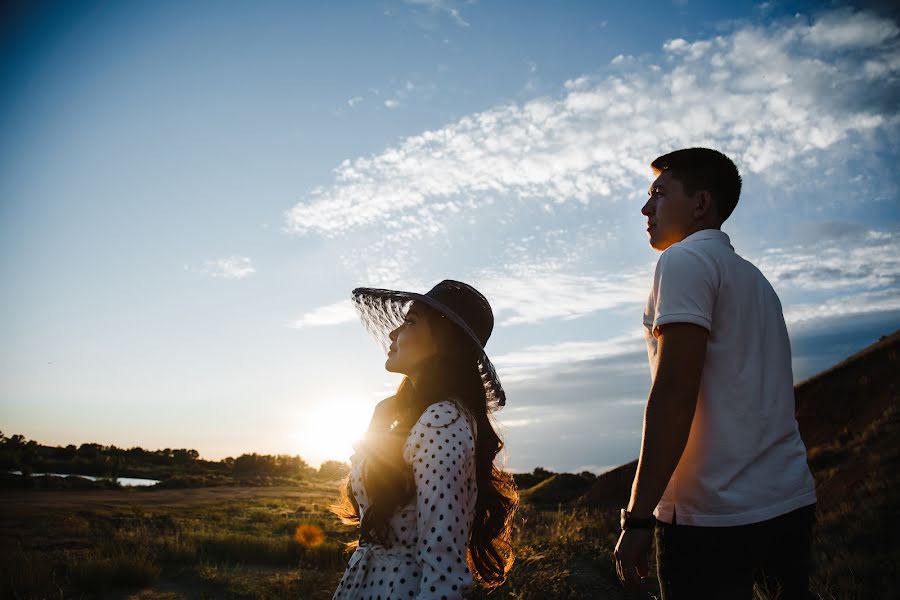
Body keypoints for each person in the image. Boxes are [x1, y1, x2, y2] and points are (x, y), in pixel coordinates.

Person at [614, 148, 818, 599]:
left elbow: (675, 392)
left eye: (660, 194)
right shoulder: (756, 280)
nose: (646, 208)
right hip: (788, 501)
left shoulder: (684, 260)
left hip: (712, 517)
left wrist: (639, 515)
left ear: (701, 203)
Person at [332, 280, 518, 600]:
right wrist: (377, 423)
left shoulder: (442, 422)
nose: (394, 333)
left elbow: (444, 570)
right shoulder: (408, 418)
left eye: (410, 322)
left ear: (442, 344)